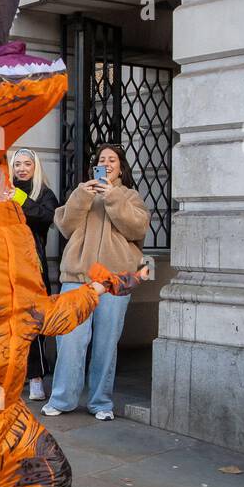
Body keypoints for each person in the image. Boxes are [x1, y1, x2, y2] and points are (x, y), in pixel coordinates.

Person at [44, 143, 150, 420]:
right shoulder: (82, 192)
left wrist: (113, 197)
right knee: (70, 339)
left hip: (114, 280)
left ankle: (101, 402)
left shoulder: (129, 196)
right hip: (78, 277)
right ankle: (62, 399)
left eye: (112, 159)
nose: (107, 163)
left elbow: (137, 227)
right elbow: (65, 226)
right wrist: (82, 196)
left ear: (120, 166)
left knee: (106, 342)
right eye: (102, 159)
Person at [10, 147, 60, 400]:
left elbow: (49, 218)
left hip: (33, 268)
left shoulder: (45, 193)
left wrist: (21, 200)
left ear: (35, 167)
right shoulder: (3, 192)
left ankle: (37, 376)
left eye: (26, 164)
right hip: (7, 267)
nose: (21, 168)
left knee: (34, 323)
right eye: (17, 164)